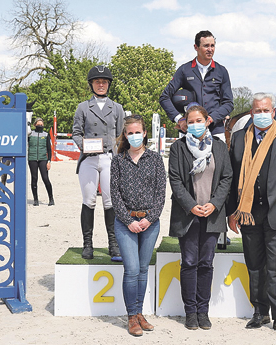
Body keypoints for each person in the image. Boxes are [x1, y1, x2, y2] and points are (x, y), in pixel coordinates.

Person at [227, 92, 276, 338]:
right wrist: (232, 211)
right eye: (257, 111)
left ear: (273, 112)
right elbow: (231, 178)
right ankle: (260, 312)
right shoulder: (240, 138)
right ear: (251, 113)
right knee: (254, 265)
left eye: (266, 110)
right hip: (248, 213)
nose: (261, 114)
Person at [168, 105, 232, 330]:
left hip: (212, 215)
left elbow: (227, 178)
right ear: (186, 123)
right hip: (188, 215)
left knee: (206, 263)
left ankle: (203, 311)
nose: (195, 124)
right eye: (190, 120)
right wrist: (191, 206)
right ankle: (190, 312)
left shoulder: (220, 147)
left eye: (199, 120)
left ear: (207, 121)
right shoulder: (179, 147)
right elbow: (175, 180)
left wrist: (214, 204)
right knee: (188, 263)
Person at [110, 115, 167, 336]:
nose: (134, 136)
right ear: (125, 135)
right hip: (126, 223)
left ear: (145, 133)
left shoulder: (155, 159)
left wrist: (149, 218)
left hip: (150, 223)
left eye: (137, 132)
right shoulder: (118, 161)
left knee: (143, 270)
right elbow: (115, 195)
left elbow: (161, 194)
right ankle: (131, 316)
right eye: (130, 133)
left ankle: (140, 312)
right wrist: (129, 221)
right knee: (132, 269)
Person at [72, 65, 126, 260]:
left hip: (109, 157)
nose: (101, 84)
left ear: (108, 84)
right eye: (97, 82)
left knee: (110, 201)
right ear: (92, 84)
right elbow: (76, 133)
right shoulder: (83, 107)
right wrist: (84, 146)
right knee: (89, 200)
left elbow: (121, 135)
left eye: (104, 82)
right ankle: (88, 243)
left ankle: (113, 243)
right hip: (89, 158)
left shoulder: (117, 108)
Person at [159, 30, 234, 141]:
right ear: (196, 47)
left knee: (219, 158)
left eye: (212, 46)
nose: (210, 49)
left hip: (215, 130)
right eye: (206, 46)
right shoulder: (184, 70)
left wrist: (211, 118)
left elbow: (228, 103)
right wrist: (179, 119)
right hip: (189, 130)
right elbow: (164, 97)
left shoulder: (222, 71)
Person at [28, 117, 54, 206]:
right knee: (34, 179)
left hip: (43, 159)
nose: (40, 126)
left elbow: (49, 149)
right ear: (35, 125)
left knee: (45, 178)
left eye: (41, 125)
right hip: (32, 159)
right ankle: (35, 199)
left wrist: (49, 161)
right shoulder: (30, 134)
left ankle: (51, 198)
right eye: (38, 124)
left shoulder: (46, 135)